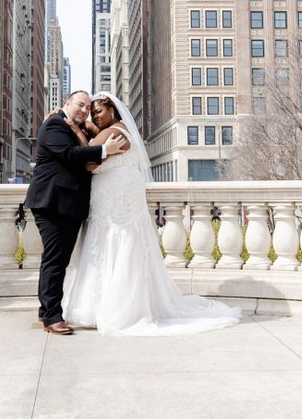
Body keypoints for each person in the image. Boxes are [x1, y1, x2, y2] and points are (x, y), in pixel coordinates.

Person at [63, 91, 241, 336]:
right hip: (114, 196)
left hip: (117, 199)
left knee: (114, 243)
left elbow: (88, 161)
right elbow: (97, 142)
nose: (95, 117)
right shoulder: (117, 129)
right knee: (111, 243)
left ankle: (116, 307)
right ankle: (107, 303)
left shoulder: (114, 132)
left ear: (112, 110)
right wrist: (90, 128)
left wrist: (76, 130)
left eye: (99, 112)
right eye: (92, 114)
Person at [24, 89, 126, 335]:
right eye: (80, 105)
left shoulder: (70, 125)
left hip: (67, 205)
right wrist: (105, 150)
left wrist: (87, 128)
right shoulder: (55, 124)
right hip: (53, 203)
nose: (84, 110)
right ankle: (52, 318)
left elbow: (90, 132)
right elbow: (71, 155)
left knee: (56, 260)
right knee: (55, 261)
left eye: (87, 108)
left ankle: (45, 311)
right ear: (67, 103)